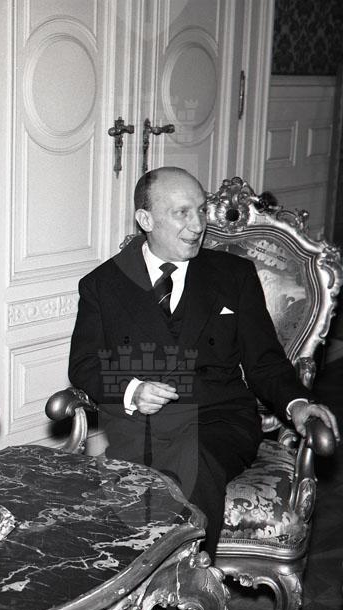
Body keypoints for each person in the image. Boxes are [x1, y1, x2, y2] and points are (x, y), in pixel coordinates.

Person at [68, 166, 339, 558]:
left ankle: (182, 586)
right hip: (141, 426)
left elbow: (264, 361)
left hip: (218, 420)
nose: (198, 225)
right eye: (182, 213)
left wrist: (297, 403)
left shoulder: (233, 275)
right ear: (146, 220)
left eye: (200, 210)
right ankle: (138, 587)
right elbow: (84, 366)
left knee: (190, 462)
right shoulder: (102, 285)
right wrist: (132, 390)